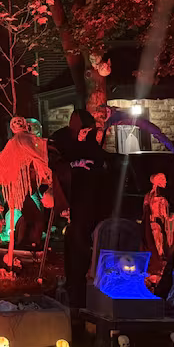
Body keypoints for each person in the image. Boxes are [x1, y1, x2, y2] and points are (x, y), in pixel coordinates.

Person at [51, 109, 110, 309]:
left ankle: (87, 283)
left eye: (87, 131)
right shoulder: (63, 142)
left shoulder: (92, 146)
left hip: (91, 202)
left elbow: (100, 163)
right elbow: (56, 166)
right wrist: (74, 165)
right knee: (76, 242)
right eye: (81, 131)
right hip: (74, 201)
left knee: (89, 242)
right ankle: (74, 286)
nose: (84, 135)